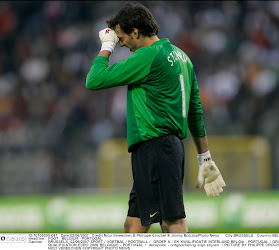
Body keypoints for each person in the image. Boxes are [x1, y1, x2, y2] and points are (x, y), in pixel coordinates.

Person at [86, 2, 225, 233]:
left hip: (156, 149)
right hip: (162, 150)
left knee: (172, 222)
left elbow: (94, 79)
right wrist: (205, 157)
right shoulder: (182, 57)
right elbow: (195, 113)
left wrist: (107, 47)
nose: (121, 43)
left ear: (135, 32)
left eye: (121, 37)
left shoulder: (147, 56)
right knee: (134, 224)